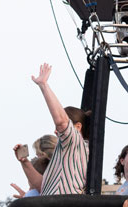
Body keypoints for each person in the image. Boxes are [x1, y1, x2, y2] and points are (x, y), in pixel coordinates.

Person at [29, 63, 91, 196]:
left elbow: (61, 122)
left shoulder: (75, 142)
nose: (56, 131)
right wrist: (24, 162)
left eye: (60, 129)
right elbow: (42, 187)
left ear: (78, 127)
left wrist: (44, 85)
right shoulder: (67, 152)